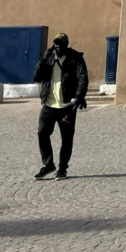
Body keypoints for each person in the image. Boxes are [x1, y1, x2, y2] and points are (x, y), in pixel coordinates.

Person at [32, 33, 88, 181]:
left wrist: (78, 97)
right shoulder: (49, 58)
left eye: (60, 43)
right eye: (55, 43)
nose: (57, 46)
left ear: (66, 44)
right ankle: (48, 165)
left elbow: (83, 78)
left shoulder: (75, 58)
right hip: (49, 104)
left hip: (67, 106)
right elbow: (36, 76)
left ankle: (62, 168)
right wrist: (44, 59)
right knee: (42, 133)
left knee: (67, 138)